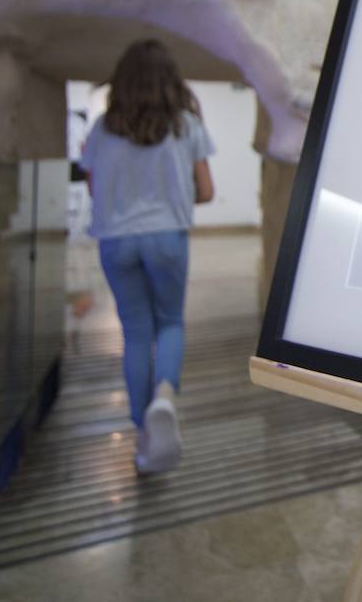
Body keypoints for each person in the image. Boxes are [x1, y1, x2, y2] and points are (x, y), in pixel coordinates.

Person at [80, 39, 216, 474]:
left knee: (136, 334)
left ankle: (143, 434)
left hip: (116, 240)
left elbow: (93, 186)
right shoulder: (186, 125)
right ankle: (164, 399)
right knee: (171, 323)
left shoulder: (102, 129)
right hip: (166, 237)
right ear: (170, 81)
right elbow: (207, 192)